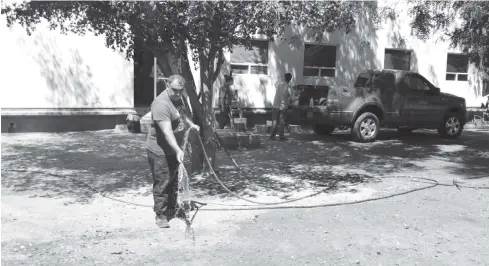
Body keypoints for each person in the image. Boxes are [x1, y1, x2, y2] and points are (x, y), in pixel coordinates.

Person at [145, 74, 199, 229]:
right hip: (159, 150)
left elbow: (182, 116)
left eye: (180, 91)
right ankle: (160, 215)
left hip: (174, 150)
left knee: (174, 180)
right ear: (167, 86)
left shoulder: (178, 99)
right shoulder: (161, 104)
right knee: (162, 182)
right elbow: (167, 132)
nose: (178, 94)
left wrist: (192, 125)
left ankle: (172, 209)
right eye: (175, 90)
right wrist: (177, 150)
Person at [270, 72, 293, 141]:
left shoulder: (278, 84)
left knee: (274, 121)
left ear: (284, 78)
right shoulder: (289, 87)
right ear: (290, 79)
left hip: (275, 105)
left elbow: (275, 85)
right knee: (281, 122)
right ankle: (281, 137)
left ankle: (272, 136)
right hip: (283, 107)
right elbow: (292, 98)